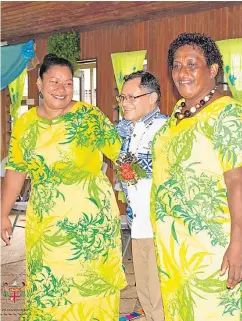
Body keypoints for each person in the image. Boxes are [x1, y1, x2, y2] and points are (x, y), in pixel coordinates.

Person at [1, 54, 126, 321]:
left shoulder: (88, 116)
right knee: (49, 288)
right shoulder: (25, 124)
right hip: (48, 224)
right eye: (54, 81)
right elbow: (16, 169)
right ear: (39, 83)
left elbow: (123, 154)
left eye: (68, 83)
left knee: (91, 287)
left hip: (91, 225)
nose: (61, 88)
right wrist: (3, 213)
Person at [151, 32, 242, 320]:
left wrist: (238, 242)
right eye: (176, 65)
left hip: (213, 250)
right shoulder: (176, 116)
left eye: (192, 64)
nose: (182, 72)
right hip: (175, 251)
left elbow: (237, 180)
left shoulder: (226, 115)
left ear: (213, 70)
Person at [116, 70, 168, 321]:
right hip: (138, 222)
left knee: (159, 293)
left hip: (159, 225)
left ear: (152, 97)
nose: (125, 102)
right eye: (122, 97)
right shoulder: (128, 129)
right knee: (145, 289)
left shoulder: (165, 128)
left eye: (132, 97)